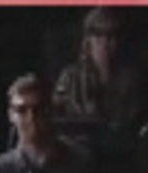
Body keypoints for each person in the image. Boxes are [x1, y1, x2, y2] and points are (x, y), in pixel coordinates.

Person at [51, 8, 142, 136]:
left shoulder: (129, 79)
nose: (105, 43)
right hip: (76, 142)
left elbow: (132, 121)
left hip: (117, 142)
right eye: (99, 36)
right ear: (88, 40)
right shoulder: (69, 76)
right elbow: (56, 115)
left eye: (111, 36)